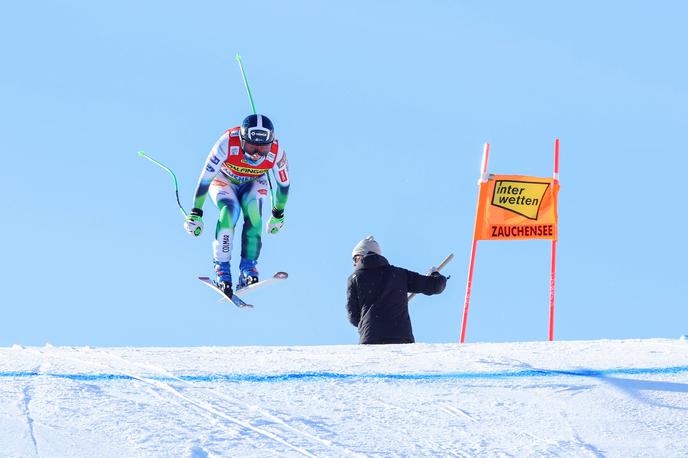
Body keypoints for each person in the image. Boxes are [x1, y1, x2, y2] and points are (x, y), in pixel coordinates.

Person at [183, 114, 290, 298]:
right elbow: (205, 179)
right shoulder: (226, 143)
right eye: (251, 146)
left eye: (262, 148)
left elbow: (283, 185)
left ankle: (248, 269)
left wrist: (278, 214)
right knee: (229, 212)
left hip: (255, 181)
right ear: (241, 140)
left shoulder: (276, 152)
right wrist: (196, 212)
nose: (256, 153)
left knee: (254, 213)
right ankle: (222, 269)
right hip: (224, 179)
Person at [346, 236, 448, 345]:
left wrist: (368, 321)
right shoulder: (399, 274)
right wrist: (434, 274)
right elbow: (435, 286)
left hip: (370, 338)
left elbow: (353, 317)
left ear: (361, 256)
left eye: (355, 258)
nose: (354, 263)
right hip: (401, 337)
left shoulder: (355, 278)